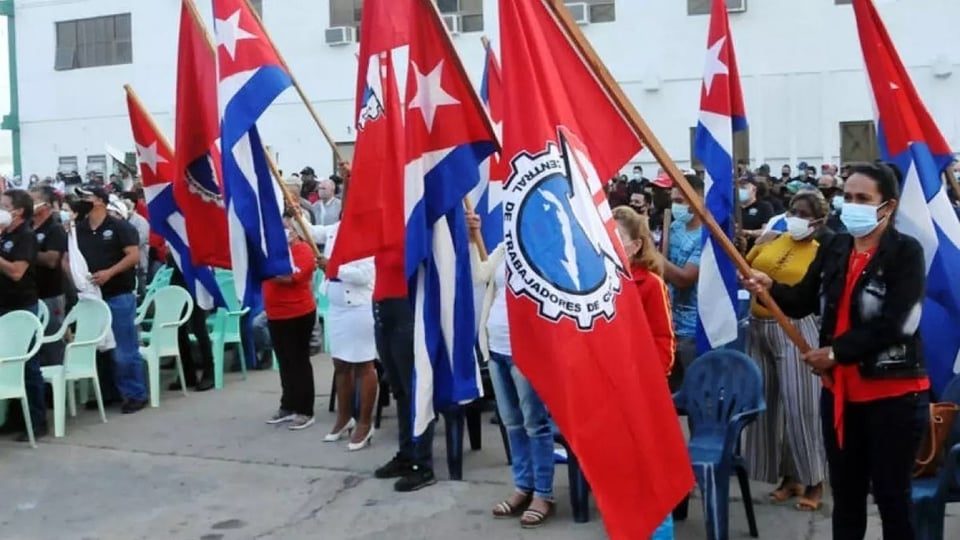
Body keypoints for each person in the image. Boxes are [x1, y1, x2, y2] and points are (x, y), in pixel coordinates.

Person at [745, 162, 930, 540]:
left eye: (864, 198)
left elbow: (900, 323)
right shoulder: (837, 246)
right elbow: (801, 301)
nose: (853, 205)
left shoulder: (905, 252)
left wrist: (836, 352)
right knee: (846, 499)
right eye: (848, 197)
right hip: (839, 394)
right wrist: (768, 287)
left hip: (891, 395)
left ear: (887, 207)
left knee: (893, 499)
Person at [467, 211, 555, 528]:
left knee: (535, 424)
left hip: (527, 353)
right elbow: (481, 274)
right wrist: (472, 238)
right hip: (497, 349)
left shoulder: (547, 250)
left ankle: (543, 493)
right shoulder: (506, 246)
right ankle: (523, 487)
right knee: (512, 424)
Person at [744, 191, 830, 512]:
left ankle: (814, 481)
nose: (796, 216)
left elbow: (809, 293)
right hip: (758, 328)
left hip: (793, 329)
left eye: (805, 213)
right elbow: (745, 266)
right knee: (771, 409)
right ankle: (788, 477)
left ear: (818, 220)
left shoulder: (821, 252)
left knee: (801, 407)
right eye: (793, 210)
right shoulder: (774, 239)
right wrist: (756, 245)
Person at [71, 184, 147, 414]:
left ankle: (135, 393)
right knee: (101, 349)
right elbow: (70, 257)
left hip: (117, 293)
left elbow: (133, 256)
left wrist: (109, 272)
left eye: (87, 197)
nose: (82, 201)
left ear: (101, 201)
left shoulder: (119, 226)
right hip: (92, 296)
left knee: (124, 348)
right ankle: (108, 392)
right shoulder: (79, 229)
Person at [308, 219, 378, 451]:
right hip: (337, 308)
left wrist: (334, 267)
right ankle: (344, 417)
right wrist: (296, 215)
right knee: (340, 364)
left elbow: (366, 275)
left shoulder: (370, 230)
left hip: (359, 308)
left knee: (363, 366)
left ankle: (365, 423)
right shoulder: (335, 228)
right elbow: (312, 232)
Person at [0, 189, 48, 440]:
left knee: (28, 365)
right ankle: (16, 418)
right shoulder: (4, 235)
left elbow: (17, 272)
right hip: (3, 307)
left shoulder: (26, 237)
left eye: (4, 205)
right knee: (8, 365)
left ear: (17, 211)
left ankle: (37, 421)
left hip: (21, 307)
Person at [264, 217, 318, 431]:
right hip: (275, 313)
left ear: (295, 231)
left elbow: (289, 278)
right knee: (284, 362)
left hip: (298, 313)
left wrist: (264, 270)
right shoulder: (273, 251)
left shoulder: (303, 251)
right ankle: (288, 405)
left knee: (299, 361)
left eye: (286, 227)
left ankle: (305, 409)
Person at [612, 206, 674, 374]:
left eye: (618, 237)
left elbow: (662, 340)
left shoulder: (651, 284)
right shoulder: (592, 281)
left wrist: (651, 378)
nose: (610, 243)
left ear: (636, 245)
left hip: (636, 376)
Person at [662, 173, 704, 389]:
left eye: (680, 201)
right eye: (673, 200)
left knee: (698, 393)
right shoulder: (675, 228)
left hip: (694, 328)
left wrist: (654, 255)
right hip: (669, 324)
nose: (675, 206)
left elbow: (684, 278)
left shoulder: (706, 235)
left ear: (697, 199)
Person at [29, 187, 68, 368]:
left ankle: (55, 387)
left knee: (52, 341)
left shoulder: (55, 229)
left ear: (44, 204)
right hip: (31, 294)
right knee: (33, 343)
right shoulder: (27, 227)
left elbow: (52, 260)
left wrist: (25, 253)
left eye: (33, 199)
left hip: (51, 294)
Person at [167, 255, 215, 392]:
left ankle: (209, 373)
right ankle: (188, 373)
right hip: (179, 273)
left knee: (199, 327)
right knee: (178, 328)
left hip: (198, 273)